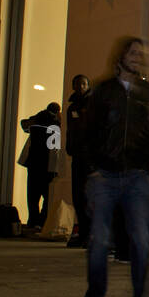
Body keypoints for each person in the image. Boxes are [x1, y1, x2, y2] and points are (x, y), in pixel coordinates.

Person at [82, 37, 149, 297]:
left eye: (142, 54)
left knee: (141, 238)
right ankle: (95, 295)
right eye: (133, 52)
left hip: (137, 174)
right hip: (105, 173)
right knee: (100, 239)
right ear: (121, 57)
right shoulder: (103, 91)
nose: (138, 57)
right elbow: (89, 132)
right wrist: (93, 167)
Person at [20, 102, 62, 232]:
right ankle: (42, 221)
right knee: (47, 194)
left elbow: (24, 124)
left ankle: (33, 220)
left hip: (33, 161)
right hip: (48, 162)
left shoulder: (37, 120)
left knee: (32, 194)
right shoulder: (57, 123)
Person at [65, 74, 91, 247]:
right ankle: (83, 232)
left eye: (83, 84)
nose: (80, 87)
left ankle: (89, 234)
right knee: (78, 195)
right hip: (77, 156)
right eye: (78, 84)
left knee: (88, 196)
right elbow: (70, 130)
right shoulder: (72, 107)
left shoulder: (93, 105)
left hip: (89, 157)